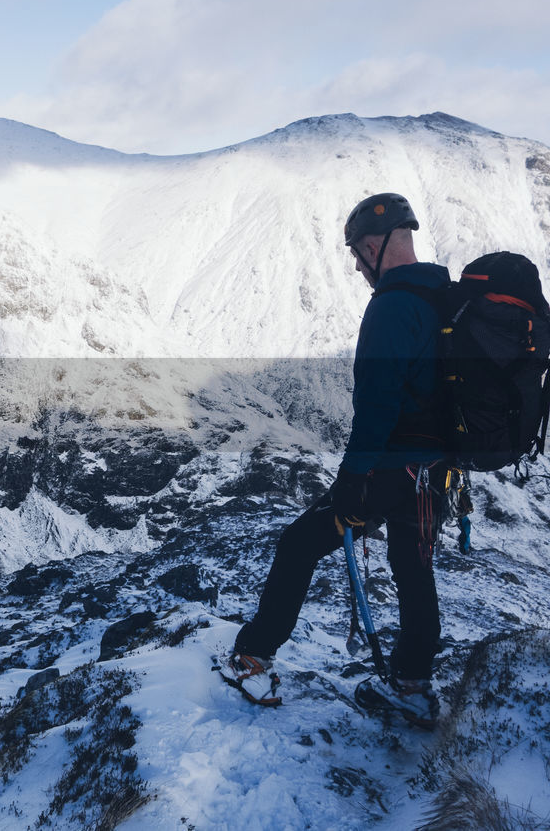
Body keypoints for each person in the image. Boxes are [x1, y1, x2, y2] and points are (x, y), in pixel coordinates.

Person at [226, 192, 451, 729]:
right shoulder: (444, 297)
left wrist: (352, 480)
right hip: (435, 471)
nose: (354, 264)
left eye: (355, 252)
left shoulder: (392, 307)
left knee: (300, 543)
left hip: (392, 470)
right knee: (413, 571)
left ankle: (253, 654)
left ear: (375, 245)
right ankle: (412, 684)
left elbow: (376, 407)